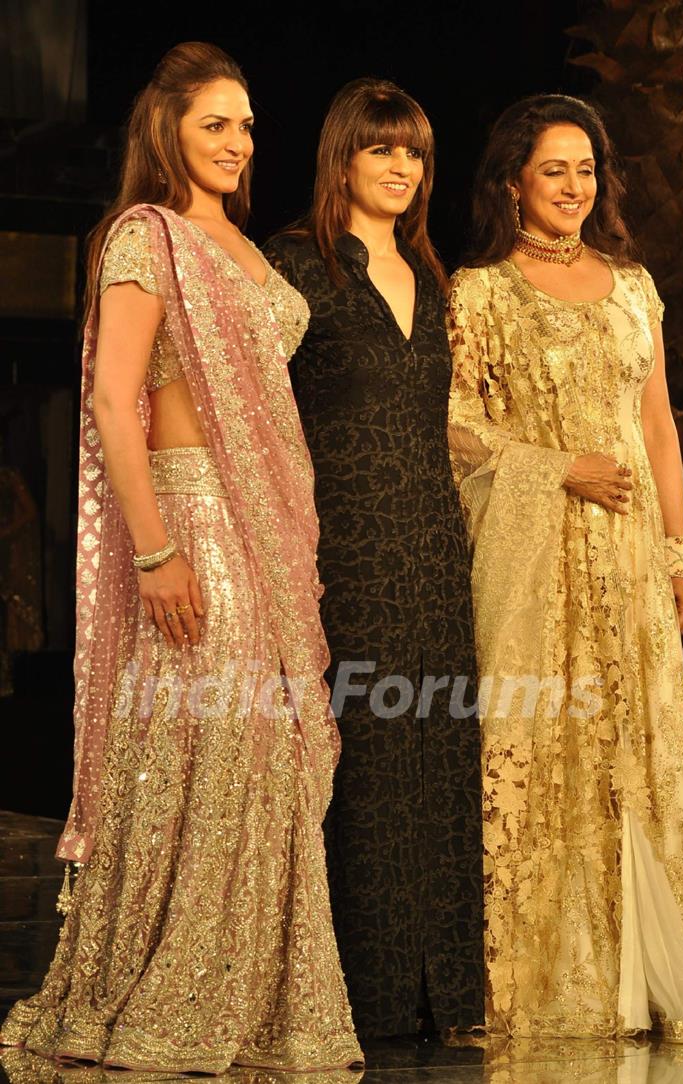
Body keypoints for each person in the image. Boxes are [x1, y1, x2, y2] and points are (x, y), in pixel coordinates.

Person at [0, 42, 362, 1074]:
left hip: (271, 531)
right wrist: (156, 548)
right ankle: (167, 992)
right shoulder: (144, 238)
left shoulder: (246, 249)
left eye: (247, 125)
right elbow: (115, 399)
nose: (239, 142)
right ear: (167, 131)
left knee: (265, 761)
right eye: (216, 123)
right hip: (195, 519)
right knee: (203, 754)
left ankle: (256, 999)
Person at [447, 92, 683, 1040]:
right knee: (543, 743)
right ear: (513, 182)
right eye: (553, 168)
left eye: (585, 169)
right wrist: (561, 470)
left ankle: (644, 975)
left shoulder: (632, 284)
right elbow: (456, 429)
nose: (572, 185)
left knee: (636, 754)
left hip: (632, 558)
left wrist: (678, 555)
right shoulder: (479, 291)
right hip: (536, 557)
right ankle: (549, 980)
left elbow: (655, 426)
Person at [264, 78, 484, 1039]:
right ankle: (366, 997)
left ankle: (444, 995)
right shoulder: (293, 269)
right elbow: (253, 421)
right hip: (343, 551)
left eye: (417, 154)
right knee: (366, 764)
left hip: (435, 548)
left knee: (439, 753)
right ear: (342, 157)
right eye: (383, 149)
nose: (402, 168)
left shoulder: (438, 280)